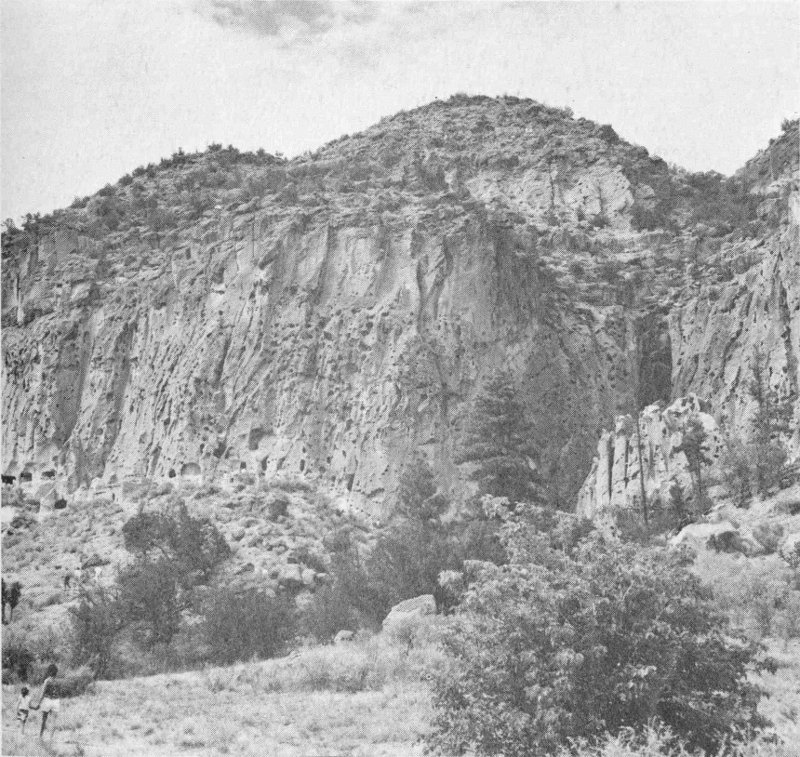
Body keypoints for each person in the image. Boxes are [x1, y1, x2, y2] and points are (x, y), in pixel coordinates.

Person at [32, 664, 60, 739]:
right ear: (56, 672)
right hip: (56, 701)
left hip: (47, 700)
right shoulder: (57, 682)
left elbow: (43, 693)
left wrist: (38, 703)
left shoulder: (47, 681)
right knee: (53, 721)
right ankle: (51, 738)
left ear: (49, 672)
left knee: (44, 719)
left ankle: (40, 736)